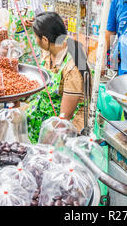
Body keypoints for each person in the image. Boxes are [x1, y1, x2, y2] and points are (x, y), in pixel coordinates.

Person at [25, 12, 90, 142]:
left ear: (44, 40)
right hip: (44, 114)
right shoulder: (50, 50)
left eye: (36, 37)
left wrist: (47, 141)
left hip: (66, 124)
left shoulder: (72, 67)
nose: (35, 40)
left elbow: (64, 118)